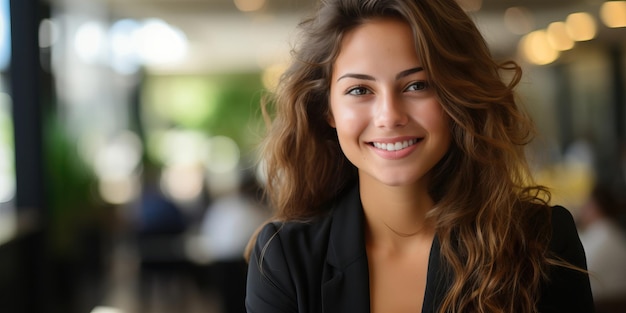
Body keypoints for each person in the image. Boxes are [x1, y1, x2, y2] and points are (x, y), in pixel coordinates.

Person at [245, 0, 594, 312]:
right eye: (359, 90)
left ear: (456, 98)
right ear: (328, 110)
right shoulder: (284, 259)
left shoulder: (541, 240)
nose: (389, 115)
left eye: (417, 85)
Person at [577, 184, 626, 312]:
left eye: (587, 204)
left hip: (598, 305)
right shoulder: (616, 233)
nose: (582, 208)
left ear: (595, 207)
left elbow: (579, 275)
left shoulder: (598, 235)